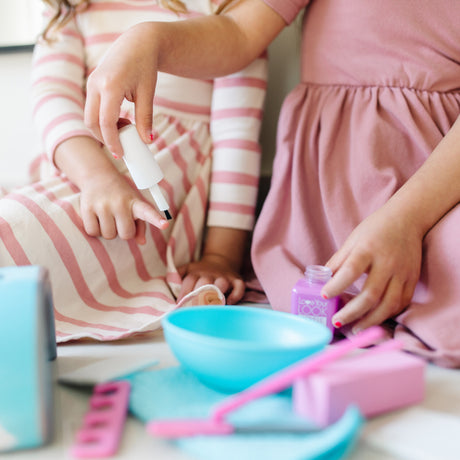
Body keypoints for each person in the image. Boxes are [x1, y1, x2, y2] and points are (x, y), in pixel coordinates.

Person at [84, 0, 460, 367]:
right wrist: (150, 39)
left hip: (438, 192)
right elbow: (238, 34)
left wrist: (407, 220)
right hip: (326, 205)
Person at [0, 0, 267, 342]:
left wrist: (220, 255)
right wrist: (97, 178)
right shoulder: (71, 6)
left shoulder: (223, 10)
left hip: (160, 186)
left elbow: (236, 136)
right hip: (83, 168)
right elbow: (53, 96)